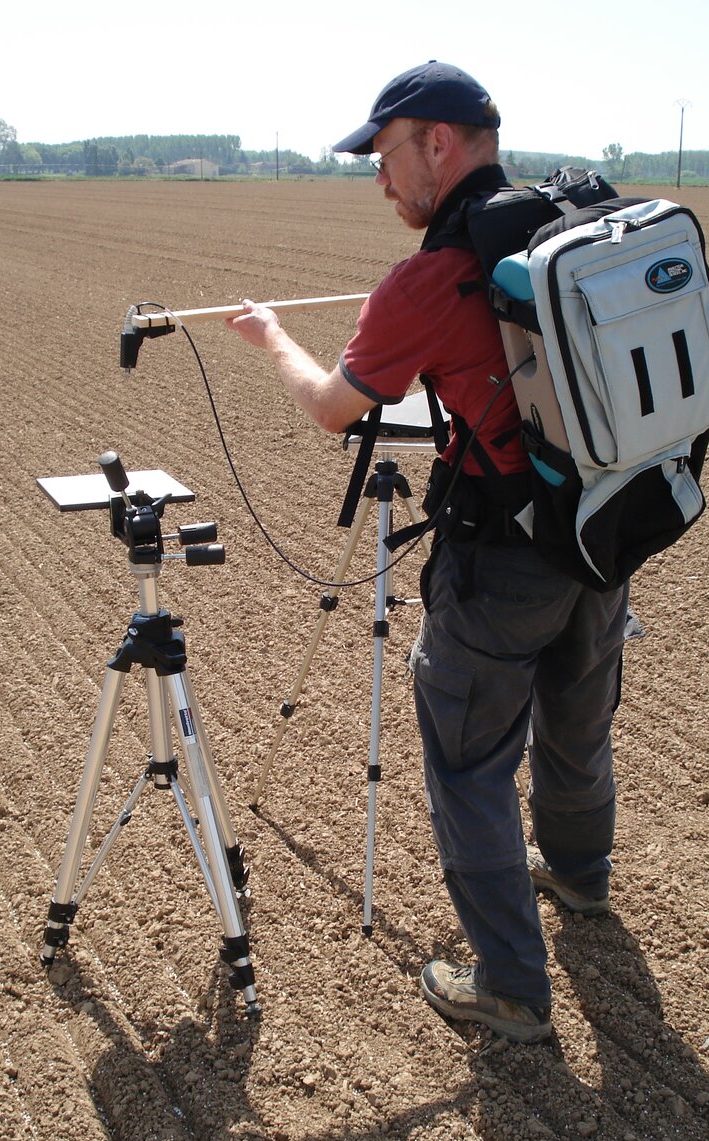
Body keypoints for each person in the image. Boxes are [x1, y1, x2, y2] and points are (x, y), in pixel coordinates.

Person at [227, 61, 629, 1044]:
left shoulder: (425, 278)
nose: (378, 177)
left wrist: (274, 338)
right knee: (577, 717)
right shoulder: (570, 226)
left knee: (468, 763)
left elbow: (334, 407)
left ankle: (509, 985)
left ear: (438, 143)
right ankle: (580, 875)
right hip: (608, 528)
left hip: (503, 563)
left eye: (384, 152)